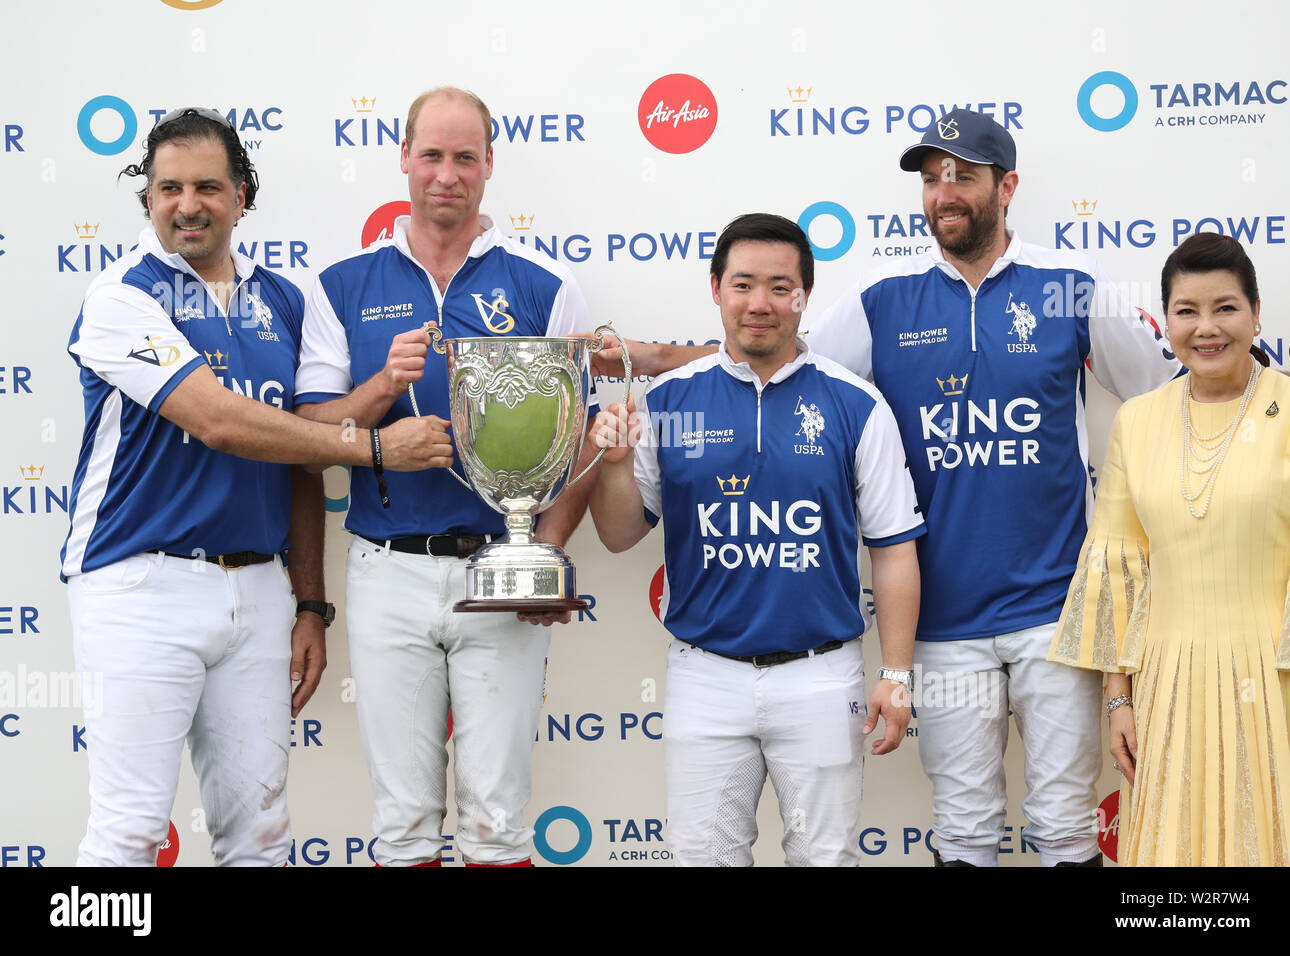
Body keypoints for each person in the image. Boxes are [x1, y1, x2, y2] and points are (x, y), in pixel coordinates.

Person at [601, 110, 1182, 866]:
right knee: (967, 828)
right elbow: (778, 356)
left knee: (1068, 824)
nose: (945, 192)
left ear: (1006, 186)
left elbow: (1168, 385)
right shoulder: (883, 296)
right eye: (932, 177)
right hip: (944, 627)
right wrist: (649, 357)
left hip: (1059, 617)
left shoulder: (1070, 286)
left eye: (963, 176)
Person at [63, 108, 449, 866]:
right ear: (147, 199)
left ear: (242, 196)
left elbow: (298, 461)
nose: (188, 203)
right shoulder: (122, 298)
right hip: (141, 585)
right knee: (130, 835)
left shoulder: (288, 298)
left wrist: (308, 602)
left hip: (260, 591)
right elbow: (218, 421)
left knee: (261, 838)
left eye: (208, 185)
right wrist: (372, 446)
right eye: (168, 187)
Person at [294, 87, 597, 867]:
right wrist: (380, 397)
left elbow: (579, 444)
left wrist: (548, 556)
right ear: (403, 157)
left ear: (491, 164)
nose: (446, 174)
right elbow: (309, 436)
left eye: (466, 157)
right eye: (431, 154)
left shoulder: (543, 286)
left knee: (497, 821)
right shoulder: (340, 286)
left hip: (498, 570)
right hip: (385, 570)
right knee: (403, 823)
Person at [587, 213, 923, 866]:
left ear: (804, 296)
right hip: (704, 678)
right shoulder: (668, 400)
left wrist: (897, 673)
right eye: (743, 284)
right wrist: (617, 464)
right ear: (716, 289)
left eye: (779, 287)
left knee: (824, 860)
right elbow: (621, 534)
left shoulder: (856, 404)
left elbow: (894, 550)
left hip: (822, 676)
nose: (759, 304)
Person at [1049, 233, 1290, 865]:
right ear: (1166, 321)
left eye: (1226, 308)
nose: (1207, 328)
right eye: (1187, 310)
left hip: (1277, 680)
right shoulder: (1138, 420)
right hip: (1166, 682)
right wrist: (1119, 697)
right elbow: (1117, 565)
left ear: (1257, 313)